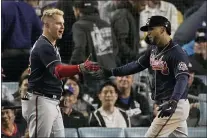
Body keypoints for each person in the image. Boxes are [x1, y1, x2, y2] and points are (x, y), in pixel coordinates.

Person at [93, 16, 190, 137]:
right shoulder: (154, 49)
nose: (148, 33)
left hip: (175, 104)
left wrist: (174, 101)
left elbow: (182, 78)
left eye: (151, 29)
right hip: (168, 103)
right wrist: (111, 72)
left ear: (162, 29)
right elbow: (137, 65)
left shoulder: (177, 53)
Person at [21, 8, 100, 137]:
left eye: (63, 23)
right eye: (58, 23)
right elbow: (58, 71)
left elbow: (55, 73)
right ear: (46, 25)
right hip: (41, 100)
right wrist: (80, 67)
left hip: (51, 100)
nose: (62, 27)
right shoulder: (43, 46)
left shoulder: (51, 46)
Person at [71, 0, 119, 96]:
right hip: (111, 71)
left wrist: (72, 66)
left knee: (95, 106)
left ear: (77, 10)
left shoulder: (79, 25)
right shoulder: (106, 24)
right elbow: (115, 48)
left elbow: (79, 48)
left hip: (93, 76)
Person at [2, 0, 42, 81]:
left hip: (7, 59)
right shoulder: (28, 8)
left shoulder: (3, 6)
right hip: (26, 58)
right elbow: (39, 33)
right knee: (24, 87)